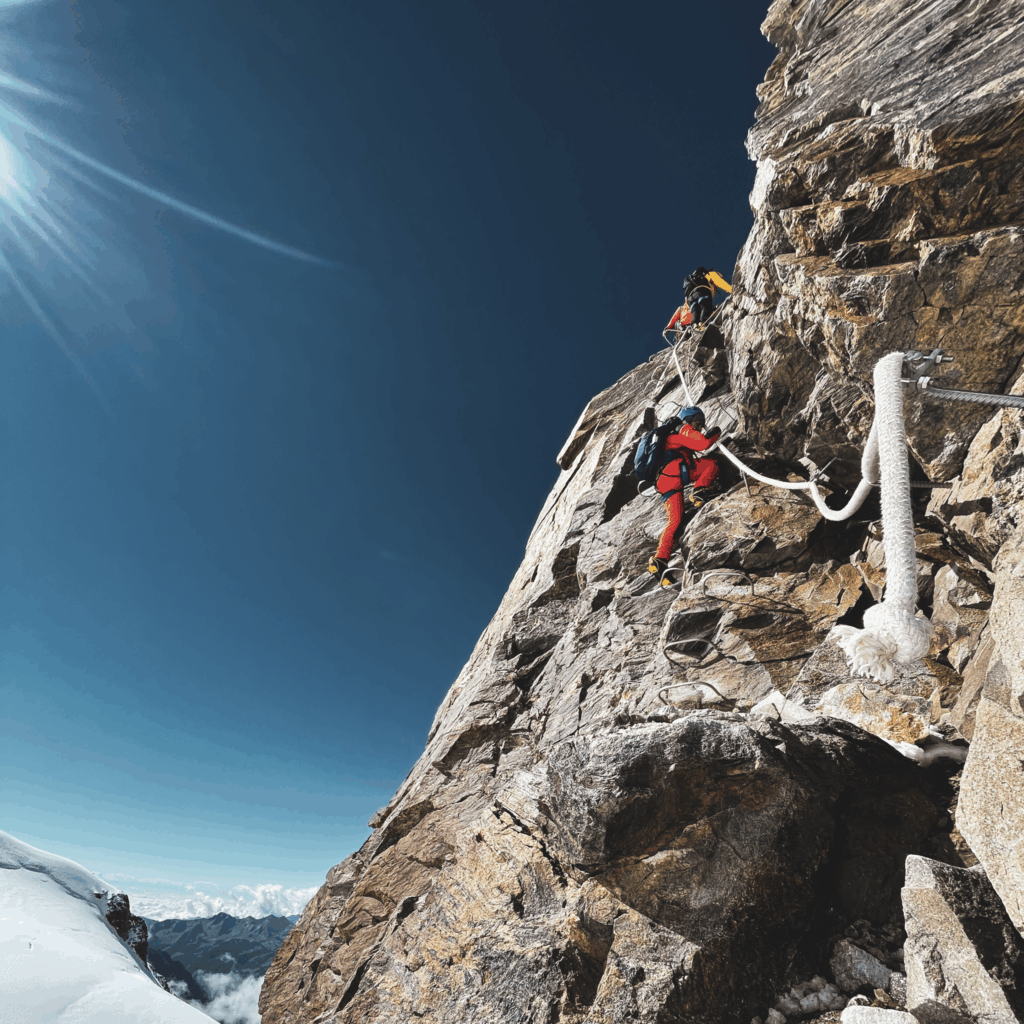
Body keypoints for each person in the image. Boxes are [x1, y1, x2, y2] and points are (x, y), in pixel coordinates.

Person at [648, 406, 721, 586]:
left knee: (675, 520)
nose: (699, 427)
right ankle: (699, 493)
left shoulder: (669, 436)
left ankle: (659, 560)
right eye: (697, 422)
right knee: (712, 464)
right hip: (676, 471)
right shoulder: (684, 429)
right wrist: (715, 433)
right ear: (689, 419)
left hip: (664, 481)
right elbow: (703, 443)